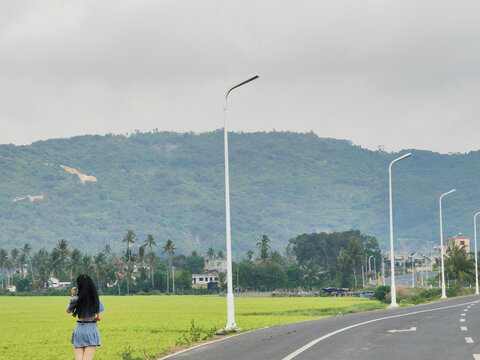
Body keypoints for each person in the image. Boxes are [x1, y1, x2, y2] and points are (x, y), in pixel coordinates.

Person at [66, 274, 105, 360]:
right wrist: (92, 319)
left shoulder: (76, 299)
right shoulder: (96, 299)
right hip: (91, 330)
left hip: (79, 330)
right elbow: (99, 317)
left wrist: (72, 297)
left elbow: (68, 311)